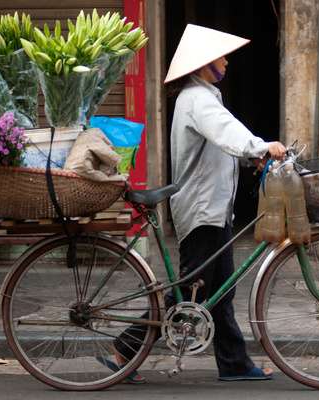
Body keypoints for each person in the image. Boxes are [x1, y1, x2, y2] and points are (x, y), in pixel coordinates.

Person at [106, 24, 286, 383]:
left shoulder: (203, 96)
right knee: (188, 293)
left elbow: (219, 141)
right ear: (205, 64)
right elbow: (227, 131)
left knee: (220, 289)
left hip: (212, 209)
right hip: (202, 209)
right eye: (221, 57)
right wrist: (262, 146)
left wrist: (250, 157)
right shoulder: (197, 99)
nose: (226, 63)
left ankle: (234, 364)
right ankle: (124, 350)